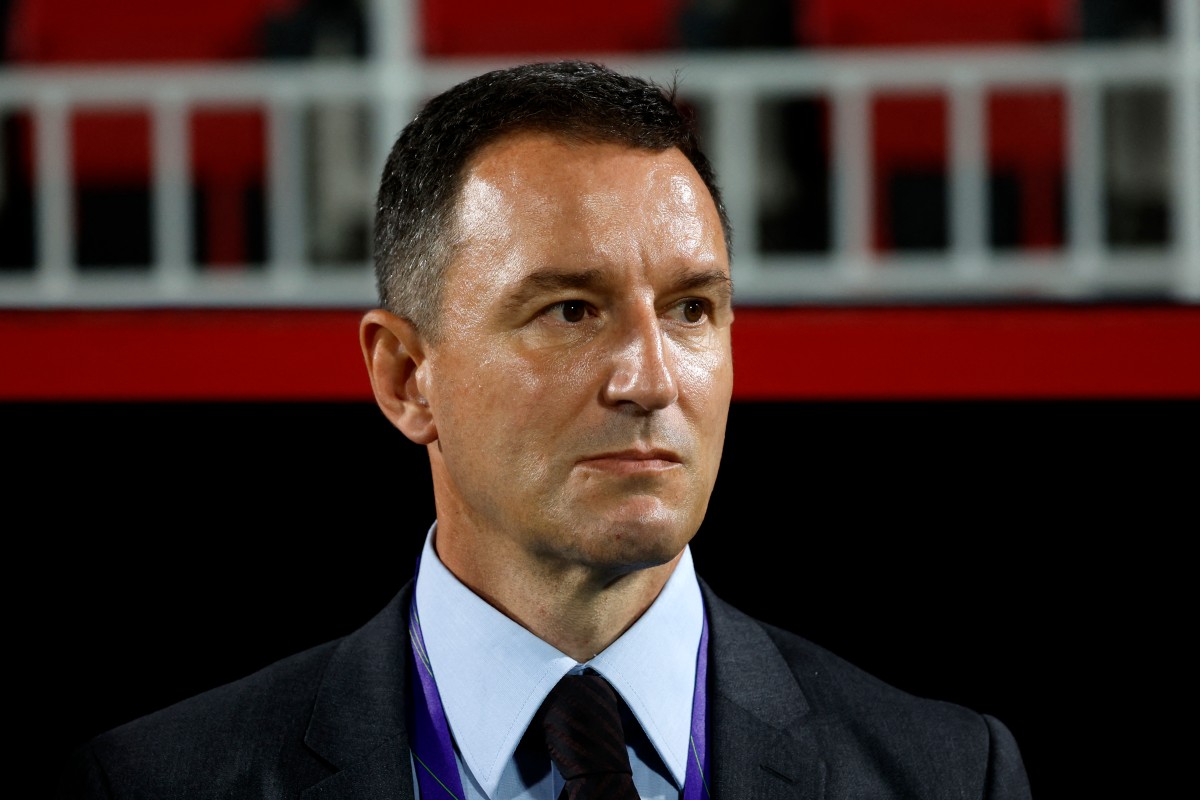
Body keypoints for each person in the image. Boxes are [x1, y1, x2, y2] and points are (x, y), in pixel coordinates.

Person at [56, 60, 1032, 799]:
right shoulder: (153, 781)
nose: (650, 378)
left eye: (692, 308)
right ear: (405, 376)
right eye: (570, 310)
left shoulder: (949, 772)